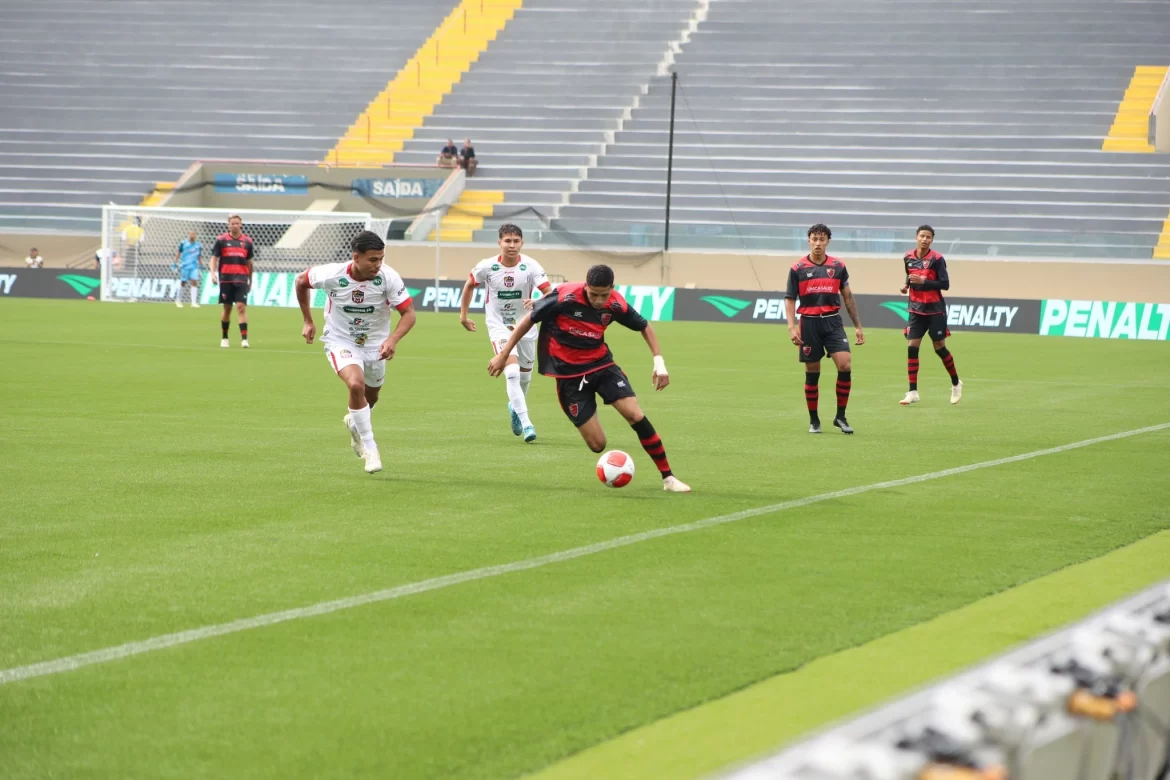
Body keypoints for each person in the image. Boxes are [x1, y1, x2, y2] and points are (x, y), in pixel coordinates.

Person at [488, 264, 691, 493]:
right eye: (593, 294)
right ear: (586, 286)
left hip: (601, 365)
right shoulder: (564, 297)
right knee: (597, 445)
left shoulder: (616, 303)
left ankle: (668, 478)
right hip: (569, 376)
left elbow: (644, 326)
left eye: (603, 295)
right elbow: (528, 320)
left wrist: (659, 363)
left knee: (635, 414)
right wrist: (503, 355)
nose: (598, 300)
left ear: (612, 289)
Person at [294, 231, 416, 474]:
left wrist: (393, 339)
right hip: (341, 341)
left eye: (381, 258)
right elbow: (300, 281)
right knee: (355, 385)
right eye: (372, 260)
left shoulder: (388, 277)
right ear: (356, 257)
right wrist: (308, 320)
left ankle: (354, 421)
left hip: (376, 346)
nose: (378, 265)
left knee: (371, 398)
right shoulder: (332, 274)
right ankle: (371, 449)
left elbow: (409, 314)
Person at [460, 224, 552, 443]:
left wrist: (536, 301)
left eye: (516, 241)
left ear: (522, 243)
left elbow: (550, 293)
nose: (512, 245)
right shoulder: (487, 266)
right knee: (511, 373)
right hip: (499, 325)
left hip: (527, 324)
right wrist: (463, 316)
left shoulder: (530, 266)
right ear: (499, 243)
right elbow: (469, 285)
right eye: (507, 241)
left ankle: (515, 406)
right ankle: (527, 422)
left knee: (525, 376)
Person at [784, 223, 865, 434]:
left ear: (828, 241)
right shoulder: (797, 268)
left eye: (822, 239)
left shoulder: (838, 266)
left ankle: (840, 416)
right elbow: (790, 298)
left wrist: (858, 325)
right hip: (809, 323)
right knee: (812, 371)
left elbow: (847, 296)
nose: (818, 243)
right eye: (814, 239)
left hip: (833, 321)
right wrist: (792, 327)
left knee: (845, 365)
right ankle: (814, 420)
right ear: (809, 240)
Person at [899, 225, 961, 406]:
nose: (925, 239)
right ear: (916, 237)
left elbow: (945, 284)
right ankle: (912, 391)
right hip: (915, 310)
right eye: (922, 236)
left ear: (932, 240)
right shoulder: (907, 257)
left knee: (939, 348)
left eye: (928, 237)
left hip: (935, 310)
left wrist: (925, 281)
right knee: (912, 347)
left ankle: (956, 383)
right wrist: (905, 286)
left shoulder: (937, 259)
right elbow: (909, 277)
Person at [210, 215, 254, 348]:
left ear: (241, 225)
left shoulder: (247, 241)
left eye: (237, 223)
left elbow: (249, 262)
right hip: (226, 279)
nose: (234, 225)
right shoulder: (221, 240)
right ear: (228, 225)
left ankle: (244, 339)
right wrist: (212, 273)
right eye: (232, 223)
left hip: (241, 279)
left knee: (241, 308)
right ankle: (225, 337)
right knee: (227, 308)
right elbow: (214, 258)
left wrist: (250, 280)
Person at [173, 230, 203, 308]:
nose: (192, 235)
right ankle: (178, 300)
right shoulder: (183, 243)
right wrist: (174, 263)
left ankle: (193, 302)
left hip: (194, 267)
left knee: (194, 282)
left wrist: (201, 265)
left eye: (194, 234)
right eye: (191, 234)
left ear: (196, 235)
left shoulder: (198, 245)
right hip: (185, 266)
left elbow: (199, 256)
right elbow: (178, 253)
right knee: (183, 282)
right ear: (188, 234)